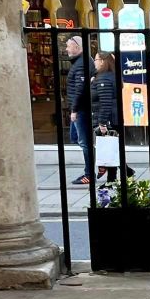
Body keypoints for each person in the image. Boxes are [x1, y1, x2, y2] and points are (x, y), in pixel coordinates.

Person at [91, 51, 134, 185]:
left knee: (110, 149)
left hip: (107, 119)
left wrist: (102, 123)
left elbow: (105, 102)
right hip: (114, 117)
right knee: (112, 148)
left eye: (96, 59)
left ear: (103, 61)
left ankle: (114, 178)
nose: (95, 62)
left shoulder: (103, 78)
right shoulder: (110, 76)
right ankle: (122, 173)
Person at [66, 35, 94, 186]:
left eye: (69, 46)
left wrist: (74, 110)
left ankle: (89, 174)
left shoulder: (81, 64)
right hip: (79, 108)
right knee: (76, 137)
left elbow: (80, 89)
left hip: (81, 109)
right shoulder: (79, 62)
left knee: (84, 142)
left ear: (77, 47)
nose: (66, 49)